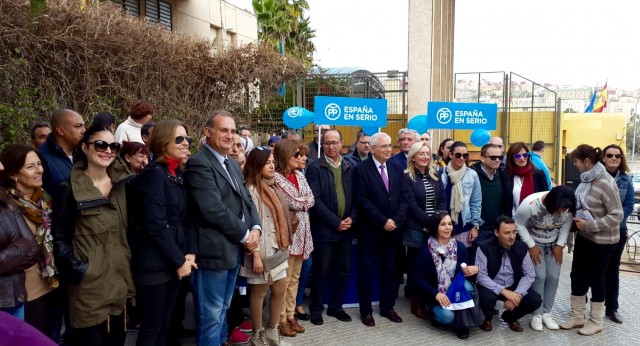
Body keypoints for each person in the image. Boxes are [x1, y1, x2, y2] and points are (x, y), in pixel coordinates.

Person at [52, 124, 135, 345]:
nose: (108, 150)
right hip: (89, 290)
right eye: (101, 144)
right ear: (85, 147)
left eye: (113, 146)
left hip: (120, 285)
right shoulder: (68, 190)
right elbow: (59, 238)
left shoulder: (124, 185)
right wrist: (80, 271)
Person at [183, 110, 261, 346]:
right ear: (208, 132)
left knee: (223, 310)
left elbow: (246, 201)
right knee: (211, 317)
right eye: (224, 130)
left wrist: (256, 226)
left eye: (233, 131)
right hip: (212, 254)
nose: (230, 136)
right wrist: (246, 235)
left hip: (233, 252)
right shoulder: (199, 164)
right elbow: (212, 209)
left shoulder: (233, 164)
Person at [127, 119, 196, 346]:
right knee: (152, 328)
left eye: (187, 138)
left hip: (174, 261)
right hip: (154, 264)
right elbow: (155, 224)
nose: (186, 143)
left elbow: (185, 220)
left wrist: (190, 254)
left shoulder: (176, 173)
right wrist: (179, 261)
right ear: (162, 142)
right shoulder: (154, 174)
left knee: (165, 326)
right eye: (179, 139)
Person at [560, 144, 623, 336]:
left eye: (577, 162)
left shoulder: (605, 182)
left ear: (587, 162)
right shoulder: (586, 180)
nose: (576, 166)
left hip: (603, 241)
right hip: (584, 238)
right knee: (577, 275)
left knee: (597, 279)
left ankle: (596, 321)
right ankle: (577, 317)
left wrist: (590, 226)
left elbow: (617, 214)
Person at [0, 145, 60, 338]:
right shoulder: (8, 205)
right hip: (27, 290)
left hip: (52, 282)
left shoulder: (45, 199)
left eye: (39, 164)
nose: (39, 170)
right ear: (13, 174)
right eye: (30, 167)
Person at [353, 132, 408, 327]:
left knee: (391, 271)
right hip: (371, 230)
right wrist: (383, 220)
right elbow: (362, 200)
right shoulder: (361, 169)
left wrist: (396, 220)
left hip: (393, 231)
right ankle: (366, 311)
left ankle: (387, 307)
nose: (388, 149)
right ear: (373, 148)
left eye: (390, 145)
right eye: (384, 146)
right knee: (367, 271)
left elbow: (404, 196)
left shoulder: (396, 167)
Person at [239, 147, 292, 346]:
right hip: (260, 251)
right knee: (259, 293)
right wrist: (256, 254)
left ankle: (272, 331)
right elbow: (250, 224)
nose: (272, 166)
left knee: (280, 289)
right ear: (256, 165)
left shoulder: (274, 185)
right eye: (267, 162)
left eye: (272, 162)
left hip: (278, 249)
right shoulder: (251, 189)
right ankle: (257, 334)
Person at [305, 130, 356, 326]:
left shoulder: (349, 166)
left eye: (334, 142)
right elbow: (315, 200)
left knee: (342, 272)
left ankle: (336, 307)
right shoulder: (315, 167)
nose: (331, 146)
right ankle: (316, 309)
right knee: (320, 272)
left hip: (347, 229)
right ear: (321, 144)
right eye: (327, 143)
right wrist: (336, 222)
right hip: (325, 230)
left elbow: (357, 196)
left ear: (342, 143)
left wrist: (352, 218)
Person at [514, 186, 576, 331]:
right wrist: (531, 245)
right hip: (535, 243)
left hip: (554, 244)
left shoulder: (568, 206)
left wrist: (560, 245)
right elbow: (518, 223)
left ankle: (547, 313)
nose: (561, 212)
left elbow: (566, 225)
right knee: (539, 276)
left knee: (554, 276)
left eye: (564, 209)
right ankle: (537, 314)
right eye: (559, 208)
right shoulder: (530, 204)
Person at [272, 139, 315, 337]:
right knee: (284, 280)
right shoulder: (276, 178)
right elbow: (293, 201)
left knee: (295, 279)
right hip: (288, 235)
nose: (302, 158)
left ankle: (290, 315)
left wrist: (303, 202)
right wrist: (303, 202)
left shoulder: (299, 175)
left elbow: (310, 198)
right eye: (297, 154)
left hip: (303, 234)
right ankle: (280, 319)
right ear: (285, 156)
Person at [414, 211, 479, 339]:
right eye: (443, 224)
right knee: (446, 317)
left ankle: (462, 324)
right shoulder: (426, 251)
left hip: (456, 291)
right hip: (436, 294)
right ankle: (436, 315)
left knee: (468, 287)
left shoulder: (459, 247)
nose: (448, 227)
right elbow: (418, 279)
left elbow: (467, 274)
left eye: (450, 224)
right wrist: (435, 294)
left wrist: (474, 270)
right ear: (435, 227)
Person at [403, 141, 446, 319]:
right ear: (413, 157)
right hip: (416, 229)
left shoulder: (434, 175)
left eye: (428, 153)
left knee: (433, 265)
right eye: (421, 153)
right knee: (416, 267)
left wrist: (439, 221)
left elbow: (443, 199)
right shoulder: (406, 177)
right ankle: (416, 300)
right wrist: (430, 223)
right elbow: (411, 206)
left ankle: (430, 296)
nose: (425, 157)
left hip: (435, 228)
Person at [476, 216, 541, 333]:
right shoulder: (484, 247)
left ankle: (510, 317)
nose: (512, 236)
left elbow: (530, 274)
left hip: (513, 284)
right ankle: (486, 318)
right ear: (496, 232)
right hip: (491, 284)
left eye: (514, 232)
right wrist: (505, 292)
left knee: (535, 300)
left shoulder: (521, 247)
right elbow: (481, 276)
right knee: (486, 298)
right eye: (507, 233)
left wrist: (516, 294)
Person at [0, 158, 39, 320]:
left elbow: (34, 248)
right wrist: (21, 248)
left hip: (14, 300)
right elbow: (27, 245)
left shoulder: (4, 197)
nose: (1, 166)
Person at [601, 144, 634, 324]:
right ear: (603, 158)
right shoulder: (597, 178)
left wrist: (613, 221)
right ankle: (593, 305)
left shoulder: (626, 180)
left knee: (612, 270)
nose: (614, 158)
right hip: (597, 231)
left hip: (618, 231)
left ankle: (612, 308)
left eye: (617, 156)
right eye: (610, 155)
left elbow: (629, 205)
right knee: (597, 269)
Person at [440, 142, 482, 251]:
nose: (462, 158)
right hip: (444, 225)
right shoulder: (440, 173)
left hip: (464, 225)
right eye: (458, 155)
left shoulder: (472, 174)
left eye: (465, 155)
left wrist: (475, 226)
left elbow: (476, 202)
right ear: (450, 155)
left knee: (462, 260)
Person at [38, 109, 86, 196]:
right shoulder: (40, 157)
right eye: (78, 126)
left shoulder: (85, 153)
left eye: (83, 126)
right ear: (60, 130)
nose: (84, 130)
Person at [470, 143, 510, 245]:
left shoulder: (502, 175)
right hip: (478, 230)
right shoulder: (471, 174)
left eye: (500, 157)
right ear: (483, 158)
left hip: (498, 229)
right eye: (493, 157)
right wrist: (473, 227)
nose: (497, 160)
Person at [505, 142, 549, 215]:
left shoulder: (538, 174)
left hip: (534, 221)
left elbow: (545, 199)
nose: (522, 158)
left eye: (525, 155)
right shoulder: (506, 175)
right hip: (512, 221)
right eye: (518, 156)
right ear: (511, 158)